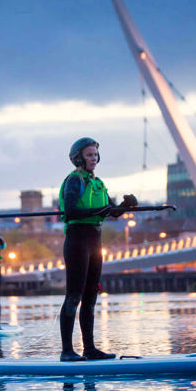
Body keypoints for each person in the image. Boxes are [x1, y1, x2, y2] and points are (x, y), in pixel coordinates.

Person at [58, 137, 138, 361]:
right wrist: (100, 210)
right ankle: (66, 351)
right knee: (74, 295)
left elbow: (110, 212)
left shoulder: (98, 182)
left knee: (91, 295)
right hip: (77, 240)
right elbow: (71, 211)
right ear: (79, 158)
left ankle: (89, 349)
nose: (94, 159)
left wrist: (125, 206)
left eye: (95, 155)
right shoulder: (75, 181)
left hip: (95, 240)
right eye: (89, 155)